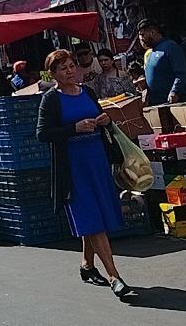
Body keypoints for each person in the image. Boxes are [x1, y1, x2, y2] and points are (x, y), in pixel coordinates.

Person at [36, 50, 133, 299]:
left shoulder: (87, 92)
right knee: (90, 216)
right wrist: (73, 128)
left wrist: (104, 120)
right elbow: (43, 133)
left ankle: (87, 266)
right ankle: (114, 276)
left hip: (97, 161)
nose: (69, 71)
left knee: (95, 215)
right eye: (62, 68)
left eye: (71, 66)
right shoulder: (51, 99)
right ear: (53, 74)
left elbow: (101, 116)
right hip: (73, 166)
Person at [137, 20, 186, 105]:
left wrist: (174, 91)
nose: (141, 39)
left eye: (143, 35)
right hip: (158, 104)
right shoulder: (151, 53)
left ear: (152, 32)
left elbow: (181, 73)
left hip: (174, 102)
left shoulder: (170, 47)